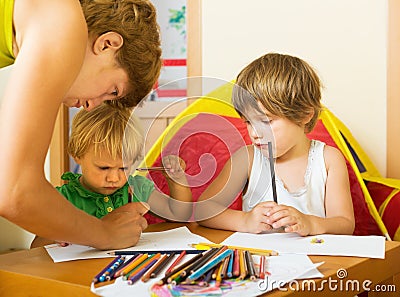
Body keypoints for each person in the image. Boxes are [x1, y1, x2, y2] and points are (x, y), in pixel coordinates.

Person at [0, 0, 162, 249]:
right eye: (112, 90)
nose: (93, 105)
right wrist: (105, 233)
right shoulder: (61, 21)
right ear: (107, 44)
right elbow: (16, 192)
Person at [196, 53, 355, 236]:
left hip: (316, 261)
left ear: (305, 115)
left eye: (266, 121)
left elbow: (345, 224)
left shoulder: (328, 160)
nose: (255, 134)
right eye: (248, 122)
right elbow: (203, 210)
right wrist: (245, 221)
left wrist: (310, 223)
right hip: (258, 262)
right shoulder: (247, 159)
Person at [31, 104, 192, 248]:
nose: (114, 178)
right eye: (104, 168)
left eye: (124, 168)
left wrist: (177, 181)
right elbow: (36, 247)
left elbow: (180, 216)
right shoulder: (63, 199)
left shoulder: (136, 189)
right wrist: (61, 235)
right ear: (76, 154)